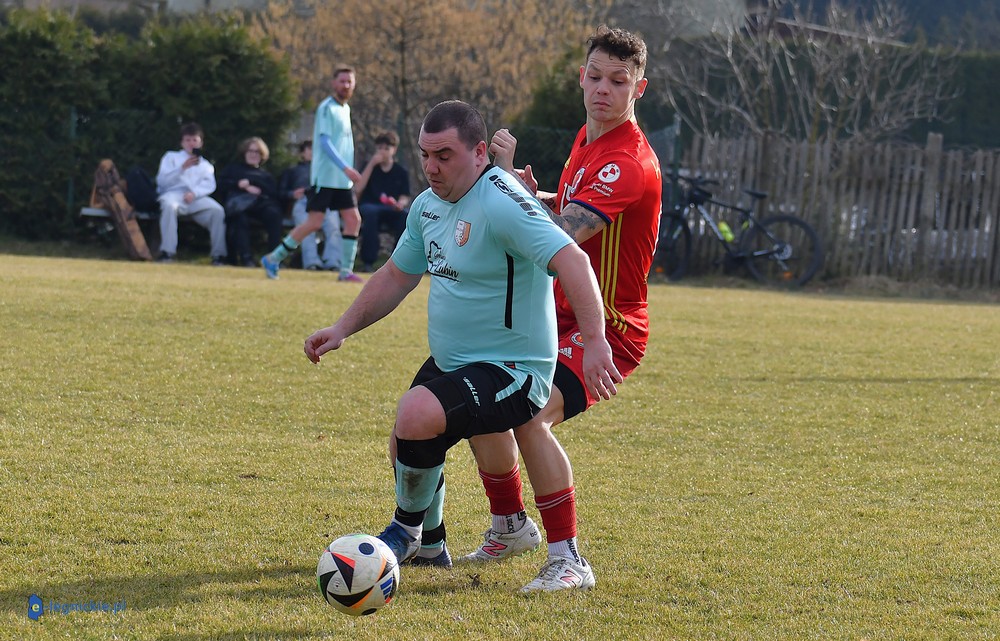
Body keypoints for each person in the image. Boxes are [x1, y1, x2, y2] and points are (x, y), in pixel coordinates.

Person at [303, 100, 622, 593]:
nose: (431, 167)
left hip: (513, 369)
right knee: (405, 442)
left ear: (478, 152)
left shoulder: (501, 201)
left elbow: (574, 261)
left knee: (416, 413)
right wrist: (343, 326)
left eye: (444, 155)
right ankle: (430, 547)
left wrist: (596, 341)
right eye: (425, 154)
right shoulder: (427, 206)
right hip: (457, 361)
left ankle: (561, 559)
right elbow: (397, 275)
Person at [448, 26, 663, 592]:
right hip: (552, 315)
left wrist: (505, 184)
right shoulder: (588, 138)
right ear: (581, 77)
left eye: (619, 81)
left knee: (528, 415)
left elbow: (560, 236)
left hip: (607, 326)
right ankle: (510, 527)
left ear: (639, 89)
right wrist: (531, 191)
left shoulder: (627, 162)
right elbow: (564, 208)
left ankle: (569, 560)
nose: (603, 89)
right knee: (484, 400)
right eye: (595, 76)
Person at [261, 66, 363, 281]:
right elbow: (325, 142)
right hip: (325, 178)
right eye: (342, 81)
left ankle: (345, 272)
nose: (346, 85)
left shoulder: (345, 108)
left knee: (353, 220)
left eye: (349, 81)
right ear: (333, 83)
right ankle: (273, 258)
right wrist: (345, 167)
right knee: (314, 223)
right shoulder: (326, 108)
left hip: (342, 181)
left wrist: (345, 171)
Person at [155, 122, 227, 264]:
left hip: (196, 199)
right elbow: (162, 182)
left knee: (217, 211)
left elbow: (209, 185)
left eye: (195, 140)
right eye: (188, 140)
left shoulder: (206, 165)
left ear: (201, 142)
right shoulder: (171, 157)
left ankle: (218, 255)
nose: (191, 143)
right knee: (169, 206)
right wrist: (181, 168)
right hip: (174, 195)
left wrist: (194, 193)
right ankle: (167, 253)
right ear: (182, 142)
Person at [217, 137, 285, 267]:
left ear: (262, 155)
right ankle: (246, 258)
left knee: (274, 214)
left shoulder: (266, 176)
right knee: (238, 218)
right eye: (250, 151)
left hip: (261, 206)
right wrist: (240, 185)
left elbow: (273, 193)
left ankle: (274, 258)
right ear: (244, 153)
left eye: (257, 152)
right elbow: (221, 185)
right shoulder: (233, 169)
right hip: (239, 206)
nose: (253, 154)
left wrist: (253, 184)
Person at [279, 140, 342, 271]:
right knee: (306, 229)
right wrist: (292, 194)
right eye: (310, 149)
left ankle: (333, 262)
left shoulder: (328, 170)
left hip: (325, 202)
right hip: (303, 202)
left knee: (333, 228)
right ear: (302, 153)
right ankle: (312, 263)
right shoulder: (293, 171)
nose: (314, 152)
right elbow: (280, 192)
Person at [353, 130, 411, 272]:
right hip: (370, 207)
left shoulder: (401, 172)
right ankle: (368, 261)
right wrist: (371, 164)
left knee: (405, 216)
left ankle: (398, 261)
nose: (383, 152)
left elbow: (405, 195)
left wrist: (400, 204)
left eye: (386, 148)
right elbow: (358, 188)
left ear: (394, 150)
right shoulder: (369, 167)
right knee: (371, 214)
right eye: (379, 148)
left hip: (391, 209)